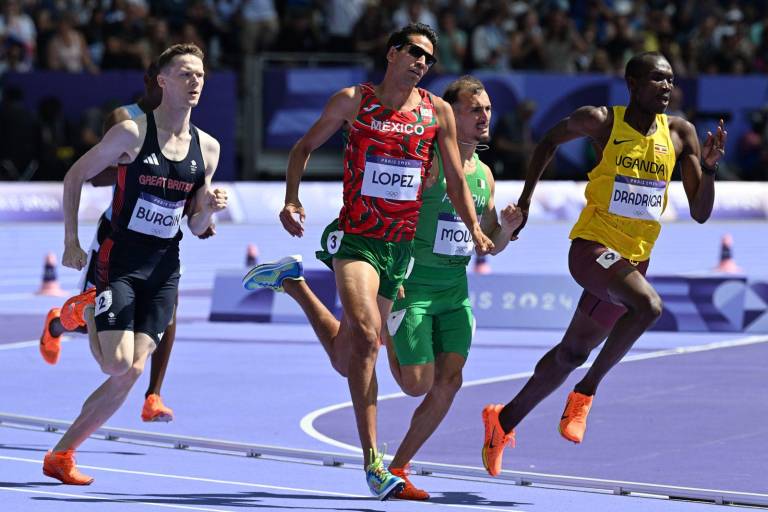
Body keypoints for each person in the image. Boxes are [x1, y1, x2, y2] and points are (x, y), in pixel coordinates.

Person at [243, 23, 493, 500]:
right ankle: (374, 464)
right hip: (358, 238)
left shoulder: (435, 111)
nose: (422, 63)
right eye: (415, 53)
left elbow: (458, 181)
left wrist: (477, 227)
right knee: (366, 338)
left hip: (398, 250)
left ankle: (294, 283)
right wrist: (291, 199)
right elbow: (302, 148)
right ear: (392, 52)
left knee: (348, 356)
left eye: (430, 59)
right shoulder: (353, 101)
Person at [481, 51, 726, 477]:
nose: (666, 87)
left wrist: (707, 168)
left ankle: (501, 422)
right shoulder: (602, 121)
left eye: (670, 80)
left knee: (572, 351)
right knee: (648, 307)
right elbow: (547, 142)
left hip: (631, 262)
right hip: (592, 250)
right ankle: (585, 395)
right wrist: (524, 201)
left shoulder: (681, 134)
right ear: (631, 84)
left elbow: (701, 212)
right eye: (656, 79)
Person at [42, 43, 227, 485]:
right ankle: (81, 310)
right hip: (118, 261)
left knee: (133, 370)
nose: (194, 81)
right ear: (162, 81)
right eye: (184, 74)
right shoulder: (131, 133)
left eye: (200, 74)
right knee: (116, 366)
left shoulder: (209, 148)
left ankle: (61, 455)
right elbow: (75, 176)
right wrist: (70, 241)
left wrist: (209, 210)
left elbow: (197, 226)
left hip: (164, 268)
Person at [381, 75, 522, 499]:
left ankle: (399, 468)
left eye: (488, 109)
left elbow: (489, 247)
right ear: (449, 114)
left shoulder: (484, 174)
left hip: (455, 292)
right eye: (473, 109)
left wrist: (508, 229)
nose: (484, 116)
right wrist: (390, 282)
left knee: (450, 381)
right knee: (416, 385)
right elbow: (389, 216)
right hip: (413, 286)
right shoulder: (426, 161)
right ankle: (385, 326)